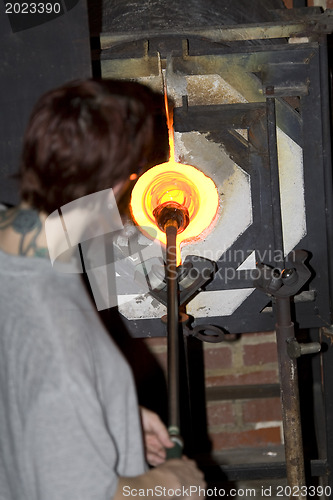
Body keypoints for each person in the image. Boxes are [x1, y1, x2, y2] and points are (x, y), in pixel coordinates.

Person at [0, 79, 206, 499]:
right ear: (117, 185)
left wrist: (114, 416)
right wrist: (171, 483)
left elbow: (26, 388)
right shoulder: (59, 331)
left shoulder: (18, 248)